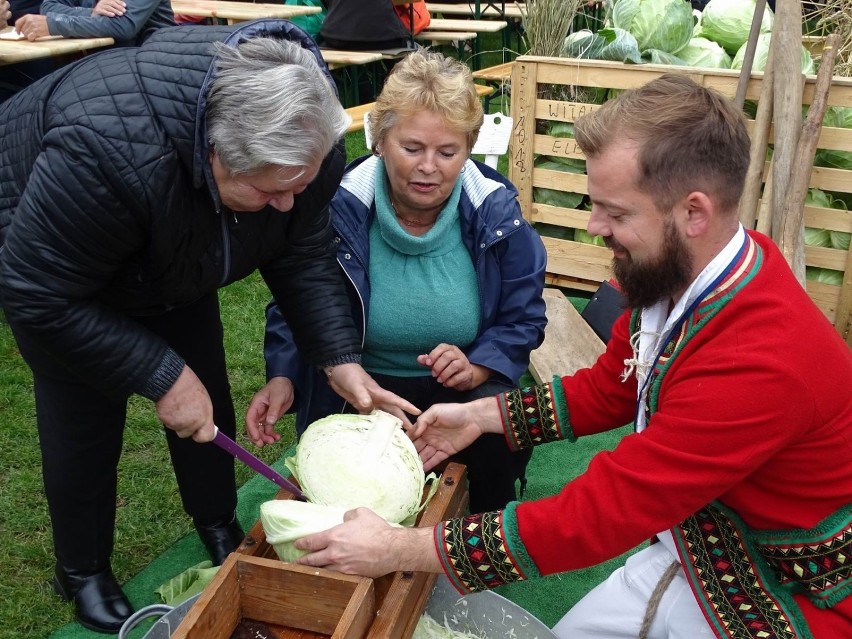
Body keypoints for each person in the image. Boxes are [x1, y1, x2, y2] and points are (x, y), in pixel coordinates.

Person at [291, 74, 852, 638]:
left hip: (798, 596)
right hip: (705, 547)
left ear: (694, 213)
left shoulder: (759, 361)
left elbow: (603, 512)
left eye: (615, 212)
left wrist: (398, 547)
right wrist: (479, 416)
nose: (594, 226)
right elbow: (612, 387)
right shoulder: (688, 279)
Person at [0, 19, 416, 634]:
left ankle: (217, 520)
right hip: (60, 273)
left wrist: (337, 356)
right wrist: (160, 376)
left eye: (296, 187)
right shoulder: (103, 151)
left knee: (208, 399)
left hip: (169, 251)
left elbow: (299, 248)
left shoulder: (307, 139)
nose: (285, 204)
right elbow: (38, 292)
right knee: (83, 419)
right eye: (269, 191)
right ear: (215, 155)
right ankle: (83, 568)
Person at [248, 49, 548, 515]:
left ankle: (481, 526)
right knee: (344, 495)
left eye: (447, 152)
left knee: (497, 418)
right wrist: (283, 374)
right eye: (412, 148)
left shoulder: (496, 213)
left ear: (468, 148)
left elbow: (524, 317)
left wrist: (477, 366)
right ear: (380, 140)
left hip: (456, 392)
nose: (429, 166)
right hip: (358, 389)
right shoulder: (338, 206)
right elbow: (297, 299)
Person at [14, 0, 173, 44]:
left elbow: (123, 26)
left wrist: (53, 24)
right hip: (105, 64)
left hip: (155, 62)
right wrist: (91, 12)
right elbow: (48, 6)